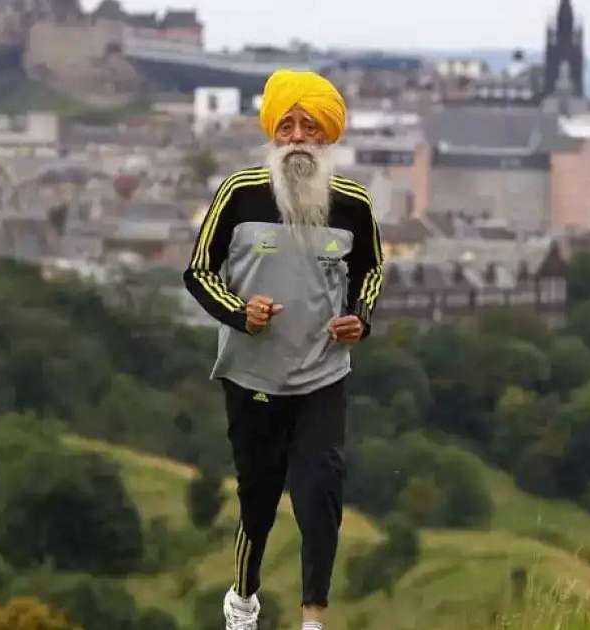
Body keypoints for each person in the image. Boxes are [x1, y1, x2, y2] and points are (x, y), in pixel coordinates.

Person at [183, 69, 383, 630]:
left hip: (322, 376)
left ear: (327, 138)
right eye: (287, 125)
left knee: (321, 490)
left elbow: (371, 270)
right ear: (273, 134)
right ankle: (244, 598)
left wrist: (359, 321)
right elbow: (198, 271)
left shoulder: (353, 204)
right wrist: (238, 313)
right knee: (259, 497)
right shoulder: (240, 193)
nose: (297, 137)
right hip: (252, 378)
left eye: (309, 127)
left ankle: (313, 617)